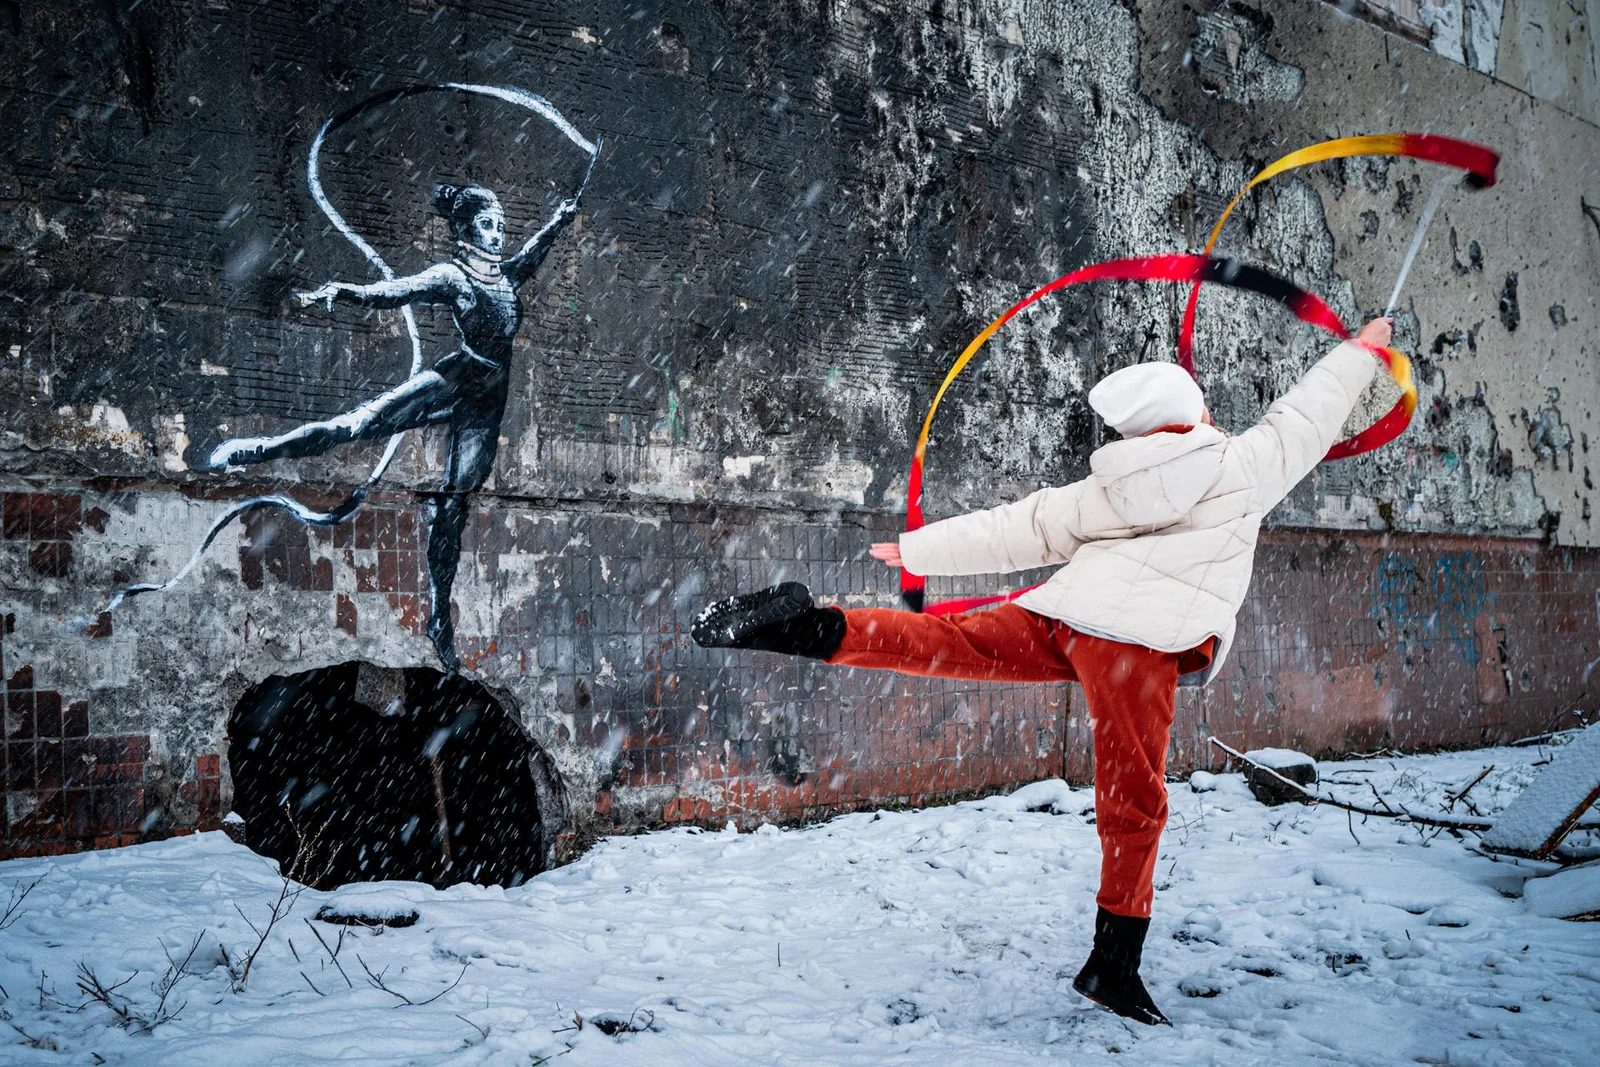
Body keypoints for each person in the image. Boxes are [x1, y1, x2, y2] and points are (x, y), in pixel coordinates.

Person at [691, 316, 1395, 1025]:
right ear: (1194, 413)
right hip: (1137, 650)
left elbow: (1016, 528)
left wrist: (919, 550)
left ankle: (803, 626)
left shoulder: (1107, 488)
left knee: (945, 643)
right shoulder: (1245, 466)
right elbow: (1310, 410)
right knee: (1135, 805)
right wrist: (1362, 350)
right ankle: (1113, 966)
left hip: (1065, 617)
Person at [207, 182, 582, 672]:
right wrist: (346, 292)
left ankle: (439, 620)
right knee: (356, 425)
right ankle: (256, 451)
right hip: (456, 379)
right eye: (488, 226)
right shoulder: (453, 275)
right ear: (466, 231)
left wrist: (559, 219)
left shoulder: (507, 276)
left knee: (453, 507)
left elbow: (533, 253)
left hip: (486, 406)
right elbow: (397, 291)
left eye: (501, 226)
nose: (498, 235)